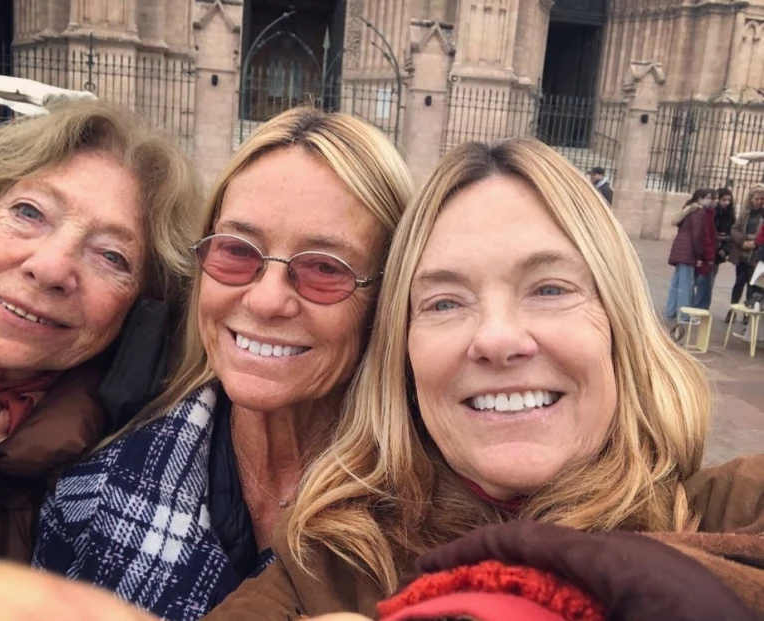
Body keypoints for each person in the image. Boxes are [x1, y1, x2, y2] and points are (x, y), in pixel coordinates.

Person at [205, 139, 764, 620]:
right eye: (445, 301)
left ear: (621, 329)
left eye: (549, 289)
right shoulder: (329, 567)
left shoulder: (730, 509)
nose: (497, 339)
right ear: (403, 358)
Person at [32, 107, 413, 621]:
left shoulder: (444, 525)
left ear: (385, 299)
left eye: (325, 268)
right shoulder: (89, 502)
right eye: (237, 251)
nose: (265, 300)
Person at [0, 99, 201, 565]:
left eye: (111, 256)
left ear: (141, 310)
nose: (50, 268)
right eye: (29, 213)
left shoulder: (144, 459)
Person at [665, 188, 711, 321]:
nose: (709, 201)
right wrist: (699, 256)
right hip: (688, 251)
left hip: (680, 248)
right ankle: (684, 315)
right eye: (707, 198)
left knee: (676, 282)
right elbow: (697, 234)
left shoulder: (688, 210)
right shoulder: (699, 212)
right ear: (700, 198)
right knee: (686, 284)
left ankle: (671, 310)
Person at [727, 184, 764, 322]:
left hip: (755, 254)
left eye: (762, 199)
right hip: (742, 253)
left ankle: (747, 314)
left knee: (752, 285)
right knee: (739, 283)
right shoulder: (745, 214)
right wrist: (742, 242)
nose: (760, 201)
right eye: (757, 198)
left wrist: (755, 242)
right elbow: (734, 229)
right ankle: (733, 310)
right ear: (751, 199)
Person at [693, 189, 718, 310]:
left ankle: (700, 307)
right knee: (703, 283)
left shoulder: (710, 213)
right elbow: (706, 236)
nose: (714, 201)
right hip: (704, 256)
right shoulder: (704, 214)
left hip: (707, 254)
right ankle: (699, 308)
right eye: (711, 198)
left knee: (705, 283)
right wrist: (709, 256)